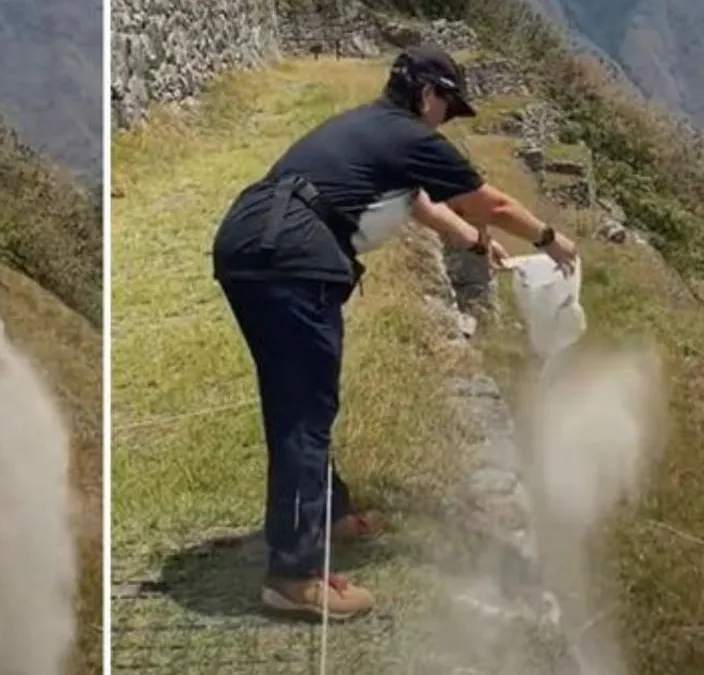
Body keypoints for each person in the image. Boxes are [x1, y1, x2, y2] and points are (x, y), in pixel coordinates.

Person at [209, 44, 579, 621]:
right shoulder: (409, 136)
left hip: (253, 243)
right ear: (429, 94)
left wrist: (477, 244)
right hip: (288, 259)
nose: (446, 122)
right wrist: (551, 240)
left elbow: (423, 206)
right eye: (449, 109)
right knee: (304, 410)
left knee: (299, 400)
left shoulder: (373, 129)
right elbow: (491, 201)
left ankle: (328, 513)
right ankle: (295, 577)